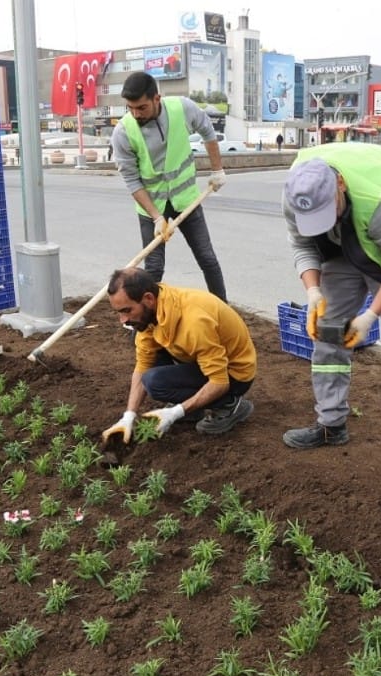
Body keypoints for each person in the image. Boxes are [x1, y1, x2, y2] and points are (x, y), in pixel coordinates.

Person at [280, 142, 381, 479]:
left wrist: (370, 315)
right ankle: (331, 424)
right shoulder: (296, 193)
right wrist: (313, 291)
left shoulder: (377, 200)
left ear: (340, 184)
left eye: (326, 210)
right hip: (345, 246)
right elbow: (302, 245)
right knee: (328, 333)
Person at [100, 267, 256, 442]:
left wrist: (176, 412)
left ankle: (230, 405)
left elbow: (219, 382)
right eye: (119, 312)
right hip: (202, 360)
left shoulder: (193, 322)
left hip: (234, 374)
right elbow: (143, 365)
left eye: (127, 310)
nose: (123, 320)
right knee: (150, 356)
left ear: (148, 299)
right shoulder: (153, 311)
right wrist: (128, 416)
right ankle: (193, 407)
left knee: (155, 382)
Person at [110, 71, 228, 300]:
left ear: (157, 99)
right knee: (153, 269)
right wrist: (156, 217)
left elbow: (208, 131)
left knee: (207, 258)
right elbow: (132, 180)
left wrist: (217, 170)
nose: (136, 114)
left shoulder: (182, 108)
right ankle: (149, 319)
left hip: (186, 200)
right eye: (130, 108)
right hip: (151, 207)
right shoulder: (123, 132)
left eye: (141, 107)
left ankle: (223, 309)